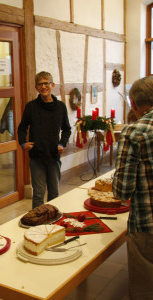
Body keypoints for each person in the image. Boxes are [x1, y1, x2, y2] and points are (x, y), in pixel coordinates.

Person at [112, 76, 153, 299]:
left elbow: (122, 191)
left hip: (147, 225)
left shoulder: (134, 131)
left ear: (134, 105)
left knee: (145, 290)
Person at [18, 71, 71, 208]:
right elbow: (22, 127)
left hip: (53, 157)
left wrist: (62, 144)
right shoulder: (31, 107)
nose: (43, 87)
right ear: (36, 87)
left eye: (46, 83)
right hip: (37, 158)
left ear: (52, 85)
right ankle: (37, 225)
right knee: (38, 195)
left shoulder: (60, 107)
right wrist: (23, 143)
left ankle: (53, 223)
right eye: (40, 84)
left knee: (54, 194)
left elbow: (67, 129)